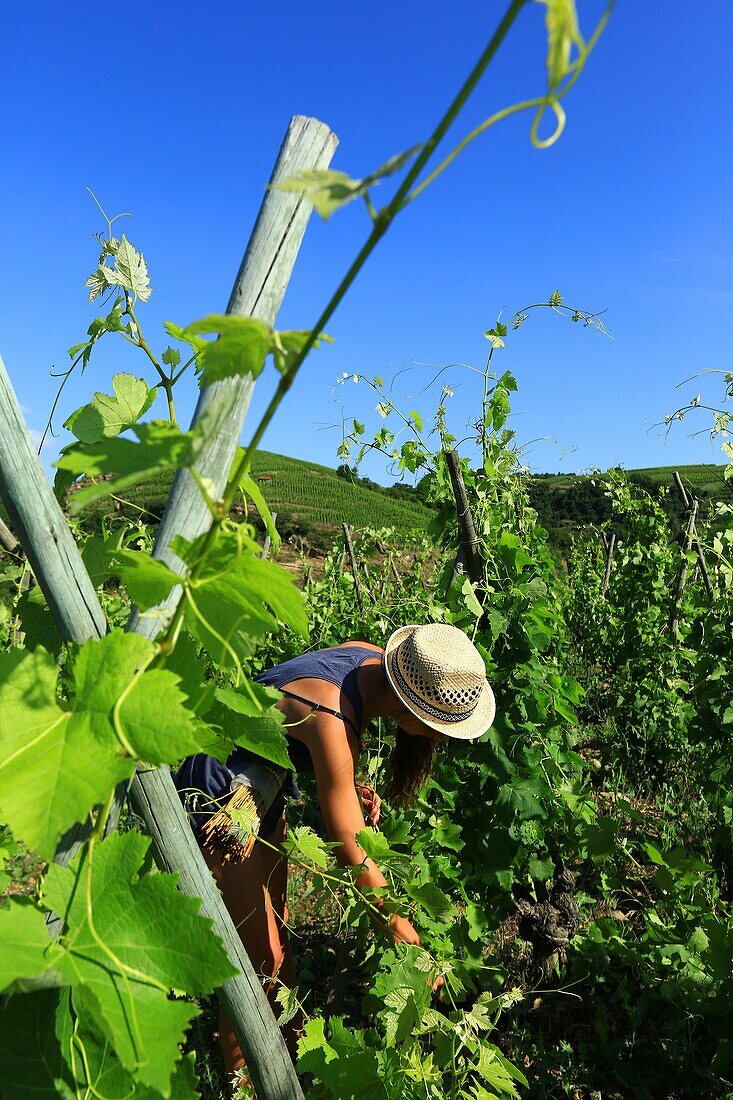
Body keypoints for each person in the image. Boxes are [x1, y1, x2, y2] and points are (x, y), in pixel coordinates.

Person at [174, 622, 496, 1080]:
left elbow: (317, 742)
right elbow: (351, 852)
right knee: (257, 959)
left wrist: (347, 784)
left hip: (260, 782)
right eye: (440, 728)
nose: (441, 739)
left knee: (275, 932)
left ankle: (278, 1059)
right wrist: (408, 940)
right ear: (411, 712)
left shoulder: (367, 659)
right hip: (219, 793)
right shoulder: (332, 713)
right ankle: (243, 1080)